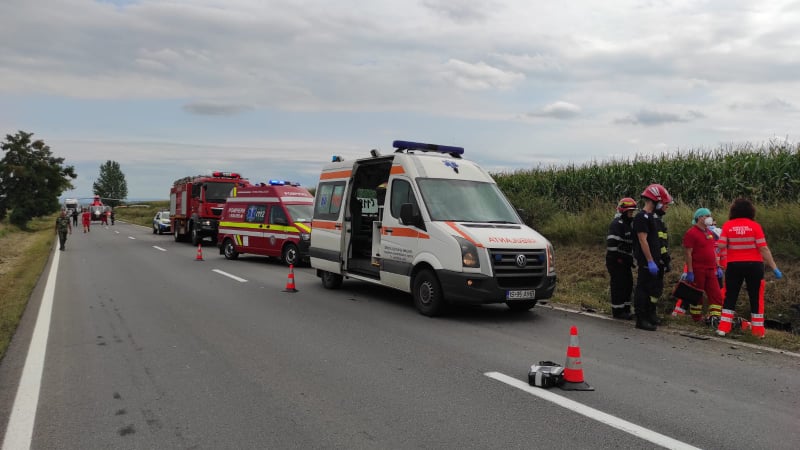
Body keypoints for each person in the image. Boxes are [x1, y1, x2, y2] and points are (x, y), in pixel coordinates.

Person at [716, 198, 783, 338]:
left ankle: (723, 328)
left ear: (733, 210)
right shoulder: (755, 226)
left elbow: (721, 245)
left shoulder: (728, 225)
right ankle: (758, 332)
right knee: (756, 296)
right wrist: (774, 267)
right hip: (754, 266)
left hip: (734, 265)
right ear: (751, 211)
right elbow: (763, 248)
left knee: (730, 295)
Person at [632, 183, 673, 331]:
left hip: (654, 261)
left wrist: (661, 260)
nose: (664, 205)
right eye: (663, 202)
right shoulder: (641, 217)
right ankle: (641, 319)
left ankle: (649, 315)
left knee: (651, 289)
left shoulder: (650, 217)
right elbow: (643, 240)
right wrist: (649, 261)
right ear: (655, 201)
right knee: (643, 289)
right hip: (646, 261)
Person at [682, 208, 724, 322]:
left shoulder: (709, 232)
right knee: (697, 295)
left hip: (711, 270)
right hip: (698, 269)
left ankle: (716, 318)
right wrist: (689, 271)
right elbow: (688, 253)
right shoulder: (691, 233)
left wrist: (717, 266)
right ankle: (696, 318)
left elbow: (712, 251)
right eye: (707, 216)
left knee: (716, 294)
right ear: (700, 218)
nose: (709, 218)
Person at [606, 197, 637, 319]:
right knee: (619, 285)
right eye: (630, 212)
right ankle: (618, 312)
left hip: (625, 261)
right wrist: (622, 258)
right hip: (616, 261)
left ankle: (626, 309)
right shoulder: (616, 224)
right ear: (623, 211)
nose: (631, 214)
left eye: (632, 212)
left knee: (628, 284)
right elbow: (612, 246)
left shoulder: (627, 224)